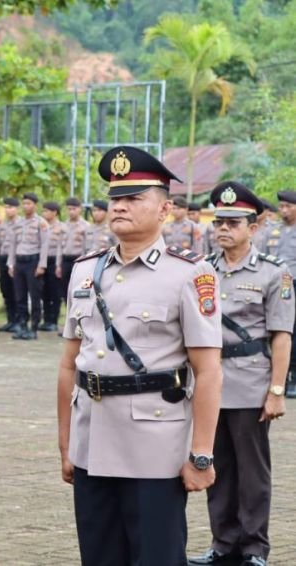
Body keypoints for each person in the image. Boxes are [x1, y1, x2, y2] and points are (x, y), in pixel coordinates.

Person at [57, 145, 222, 566]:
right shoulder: (85, 270)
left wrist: (201, 454)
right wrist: (66, 445)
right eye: (115, 199)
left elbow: (208, 372)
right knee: (99, 556)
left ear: (165, 208)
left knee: (156, 557)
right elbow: (68, 365)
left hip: (154, 448)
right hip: (92, 441)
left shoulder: (190, 273)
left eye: (134, 199)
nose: (120, 207)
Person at [188, 182, 292, 566]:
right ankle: (222, 543)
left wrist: (277, 389)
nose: (224, 229)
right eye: (220, 222)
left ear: (255, 225)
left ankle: (253, 548)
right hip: (209, 383)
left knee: (252, 472)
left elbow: (281, 336)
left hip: (250, 382)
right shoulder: (201, 271)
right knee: (215, 465)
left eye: (234, 222)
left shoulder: (272, 274)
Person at [266, 191, 296, 398]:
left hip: (295, 284)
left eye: (288, 206)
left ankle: (293, 377)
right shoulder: (273, 231)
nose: (284, 210)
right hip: (277, 286)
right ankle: (280, 378)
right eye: (282, 206)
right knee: (277, 330)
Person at [8, 192, 49, 340]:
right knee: (20, 296)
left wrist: (42, 265)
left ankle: (34, 328)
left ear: (35, 205)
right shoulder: (18, 223)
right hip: (19, 262)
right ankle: (23, 326)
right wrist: (11, 264)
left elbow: (45, 245)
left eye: (29, 204)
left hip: (33, 262)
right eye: (24, 204)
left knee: (35, 296)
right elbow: (13, 245)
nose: (26, 206)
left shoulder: (41, 223)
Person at [56, 197, 89, 329]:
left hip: (79, 261)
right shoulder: (63, 226)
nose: (71, 212)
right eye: (69, 209)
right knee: (65, 291)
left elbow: (87, 247)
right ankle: (68, 323)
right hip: (65, 260)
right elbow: (59, 246)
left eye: (74, 209)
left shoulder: (86, 226)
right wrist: (58, 264)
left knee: (79, 292)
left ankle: (79, 323)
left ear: (80, 209)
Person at [0, 197, 19, 332]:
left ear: (17, 209)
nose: (8, 210)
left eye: (11, 207)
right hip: (2, 258)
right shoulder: (2, 225)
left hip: (14, 260)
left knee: (16, 291)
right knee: (5, 289)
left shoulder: (21, 224)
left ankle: (18, 321)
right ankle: (10, 319)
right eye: (6, 207)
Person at [41, 201, 65, 332]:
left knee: (55, 292)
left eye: (46, 211)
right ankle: (46, 320)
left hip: (54, 261)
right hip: (43, 261)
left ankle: (53, 321)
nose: (44, 213)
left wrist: (58, 264)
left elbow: (62, 246)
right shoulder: (42, 226)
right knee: (44, 292)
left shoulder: (61, 227)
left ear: (54, 212)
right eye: (43, 211)